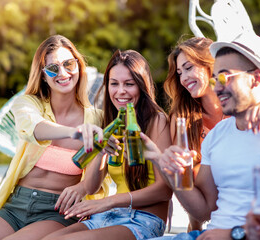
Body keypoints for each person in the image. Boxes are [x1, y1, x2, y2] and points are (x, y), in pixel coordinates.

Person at [142, 32, 260, 240]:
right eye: (214, 79)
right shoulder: (216, 135)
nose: (216, 87)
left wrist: (234, 234)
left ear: (256, 78)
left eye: (223, 77)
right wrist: (172, 173)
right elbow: (203, 210)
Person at [0, 35, 110, 240]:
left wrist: (82, 186)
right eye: (53, 68)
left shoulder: (97, 120)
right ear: (43, 75)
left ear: (79, 66)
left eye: (69, 64)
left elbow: (95, 181)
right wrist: (75, 132)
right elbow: (36, 128)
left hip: (58, 212)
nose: (63, 73)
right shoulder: (27, 104)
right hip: (15, 206)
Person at [42, 49, 173, 240]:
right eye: (114, 84)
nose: (121, 91)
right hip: (107, 216)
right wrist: (102, 152)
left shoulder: (157, 121)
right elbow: (92, 187)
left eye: (129, 84)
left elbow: (165, 190)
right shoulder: (112, 122)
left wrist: (110, 201)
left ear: (142, 86)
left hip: (142, 220)